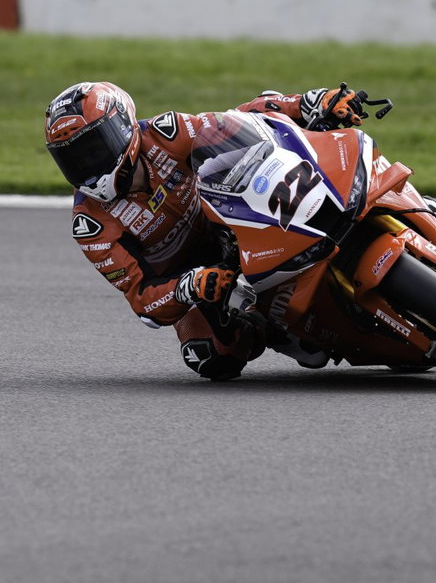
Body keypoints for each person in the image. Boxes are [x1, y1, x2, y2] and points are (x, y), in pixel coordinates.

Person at [45, 82, 370, 381]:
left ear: (123, 126)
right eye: (73, 159)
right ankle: (274, 329)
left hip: (232, 221)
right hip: (197, 275)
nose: (88, 166)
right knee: (210, 355)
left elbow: (237, 119)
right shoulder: (92, 225)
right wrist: (189, 287)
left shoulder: (164, 133)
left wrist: (306, 105)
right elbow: (142, 300)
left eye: (93, 149)